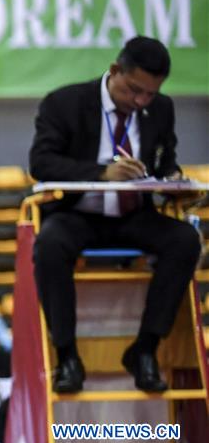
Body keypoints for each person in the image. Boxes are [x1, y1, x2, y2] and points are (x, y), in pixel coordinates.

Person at [29, 36, 202, 393]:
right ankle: (67, 356)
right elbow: (41, 163)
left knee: (186, 240)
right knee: (48, 244)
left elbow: (165, 162)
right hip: (78, 214)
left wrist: (174, 180)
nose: (140, 101)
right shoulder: (64, 103)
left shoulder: (161, 110)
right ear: (115, 70)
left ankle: (145, 349)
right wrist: (101, 173)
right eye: (134, 90)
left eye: (150, 94)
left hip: (134, 216)